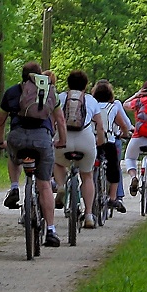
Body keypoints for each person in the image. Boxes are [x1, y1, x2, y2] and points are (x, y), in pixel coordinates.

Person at [0, 60, 66, 246]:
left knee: (14, 156)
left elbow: (1, 121)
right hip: (42, 139)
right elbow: (61, 120)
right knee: (44, 185)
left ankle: (14, 187)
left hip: (17, 138)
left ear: (22, 76)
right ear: (39, 75)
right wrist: (62, 141)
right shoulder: (49, 91)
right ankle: (51, 230)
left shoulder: (11, 92)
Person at [55, 71, 103, 228]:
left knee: (58, 163)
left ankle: (61, 186)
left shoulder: (60, 97)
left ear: (68, 83)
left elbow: (50, 121)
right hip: (86, 140)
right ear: (86, 85)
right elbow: (100, 126)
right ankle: (88, 214)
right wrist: (100, 142)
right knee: (87, 176)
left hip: (63, 140)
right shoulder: (91, 100)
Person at [92, 80, 132, 213]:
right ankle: (113, 197)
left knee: (89, 168)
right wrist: (124, 134)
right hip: (108, 141)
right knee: (114, 168)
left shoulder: (91, 105)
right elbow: (123, 125)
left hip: (92, 141)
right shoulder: (113, 107)